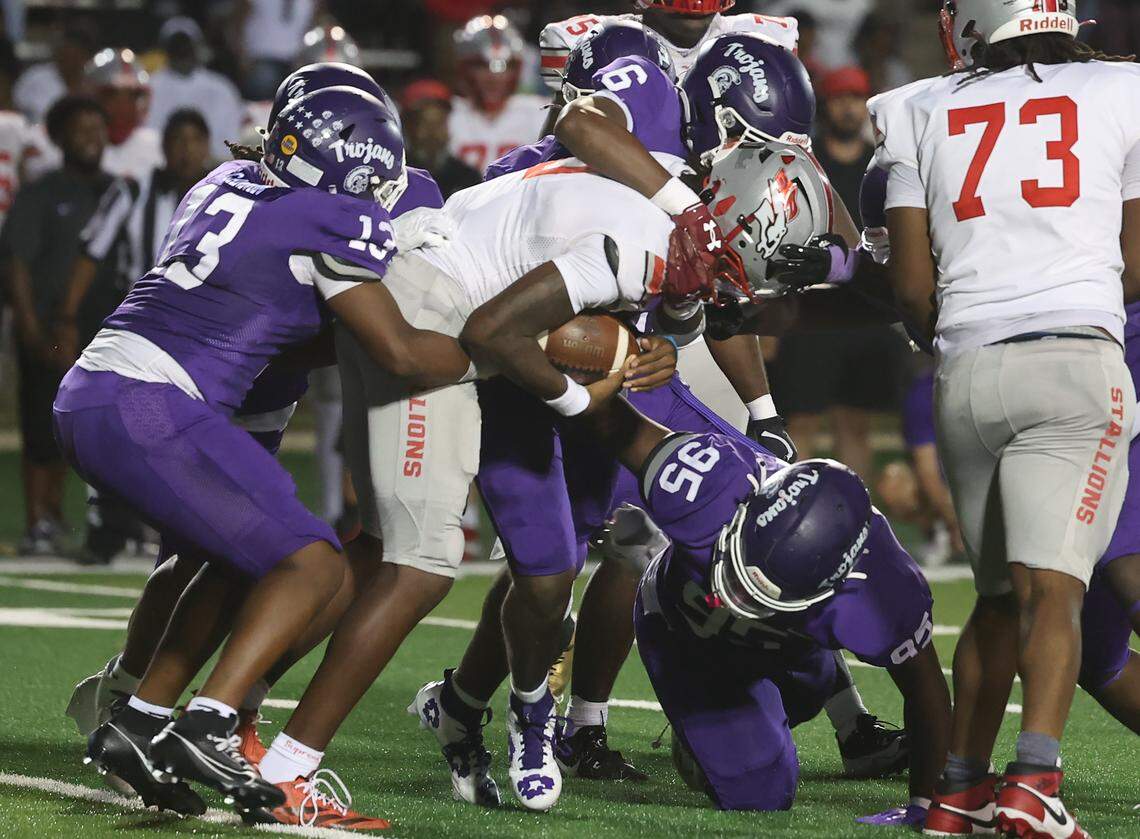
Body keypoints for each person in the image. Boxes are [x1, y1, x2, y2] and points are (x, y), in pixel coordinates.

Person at [71, 84, 473, 821]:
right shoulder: (331, 214)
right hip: (152, 402)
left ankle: (136, 722)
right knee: (316, 562)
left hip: (103, 387)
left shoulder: (226, 179)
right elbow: (400, 351)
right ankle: (209, 723)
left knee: (236, 556)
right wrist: (498, 346)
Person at [871, 2, 1140, 835]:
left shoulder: (914, 106)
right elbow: (1136, 259)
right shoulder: (1123, 89)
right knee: (1052, 590)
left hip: (966, 371)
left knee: (993, 598)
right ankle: (1033, 782)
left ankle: (957, 788)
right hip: (1073, 361)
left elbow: (911, 289)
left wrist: (970, 321)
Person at [584, 392, 950, 821]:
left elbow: (925, 688)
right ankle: (653, 555)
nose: (734, 597)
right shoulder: (713, 480)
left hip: (785, 642)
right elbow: (610, 416)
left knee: (806, 689)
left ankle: (811, 700)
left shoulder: (882, 587)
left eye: (756, 592)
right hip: (684, 626)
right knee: (760, 794)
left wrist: (927, 805)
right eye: (739, 571)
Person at [540, 2, 800, 439]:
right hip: (612, 259)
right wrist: (686, 207)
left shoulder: (759, 41)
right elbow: (564, 144)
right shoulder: (602, 48)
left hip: (683, 271)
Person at [53, 108, 213, 565]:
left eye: (194, 140)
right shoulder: (134, 190)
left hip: (201, 329)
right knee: (113, 423)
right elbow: (91, 251)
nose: (185, 150)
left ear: (207, 146)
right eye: (177, 140)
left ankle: (180, 530)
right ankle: (106, 528)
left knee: (187, 429)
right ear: (163, 147)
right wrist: (67, 315)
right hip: (139, 326)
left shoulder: (228, 194)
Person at [774, 65, 905, 481]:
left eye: (856, 99)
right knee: (801, 422)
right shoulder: (806, 166)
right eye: (840, 99)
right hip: (811, 308)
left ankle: (855, 509)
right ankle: (792, 504)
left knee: (855, 423)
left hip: (867, 307)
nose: (849, 108)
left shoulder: (881, 167)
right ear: (825, 106)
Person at [1, 95, 112, 556]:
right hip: (49, 328)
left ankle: (57, 513)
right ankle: (36, 520)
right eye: (81, 130)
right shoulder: (42, 191)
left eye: (97, 129)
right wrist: (29, 324)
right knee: (42, 421)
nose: (91, 138)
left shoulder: (114, 191)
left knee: (78, 426)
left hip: (99, 329)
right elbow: (17, 262)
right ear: (60, 137)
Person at [448, 15, 547, 174]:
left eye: (506, 67)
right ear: (465, 69)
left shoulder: (539, 112)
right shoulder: (446, 113)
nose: (494, 78)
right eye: (482, 67)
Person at [147, 17, 244, 161]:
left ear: (197, 47)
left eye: (186, 45)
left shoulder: (221, 88)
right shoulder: (150, 87)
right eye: (176, 45)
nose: (181, 50)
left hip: (213, 166)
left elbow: (231, 139)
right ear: (165, 49)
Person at [401, 79, 481, 195]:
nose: (432, 133)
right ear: (407, 126)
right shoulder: (394, 176)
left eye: (439, 123)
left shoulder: (468, 178)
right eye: (423, 122)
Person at [13, 19, 96, 123]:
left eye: (75, 55)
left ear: (86, 57)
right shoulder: (35, 77)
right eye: (65, 53)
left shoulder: (91, 85)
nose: (68, 60)